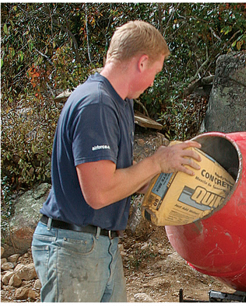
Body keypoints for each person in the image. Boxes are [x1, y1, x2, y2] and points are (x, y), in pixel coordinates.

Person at [31, 20, 202, 302]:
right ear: (142, 62)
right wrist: (157, 162)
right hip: (74, 247)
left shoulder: (120, 103)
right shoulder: (97, 104)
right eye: (156, 73)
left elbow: (120, 178)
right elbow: (99, 193)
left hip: (99, 245)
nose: (152, 83)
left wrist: (165, 179)